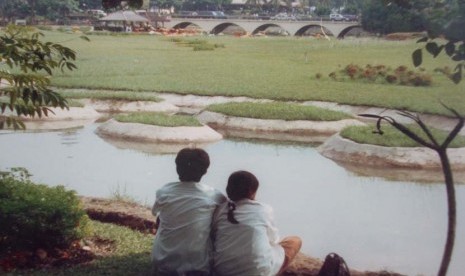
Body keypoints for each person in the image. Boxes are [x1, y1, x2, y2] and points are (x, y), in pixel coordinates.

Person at [151, 148, 226, 275]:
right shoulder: (214, 195)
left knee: (161, 217)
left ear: (177, 168)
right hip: (198, 267)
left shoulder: (164, 192)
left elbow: (155, 214)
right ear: (205, 171)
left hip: (163, 263)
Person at [212, 170, 302, 276]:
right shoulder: (264, 209)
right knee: (295, 241)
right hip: (259, 272)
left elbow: (213, 236)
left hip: (223, 271)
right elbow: (273, 239)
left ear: (228, 190)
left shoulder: (220, 209)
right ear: (252, 192)